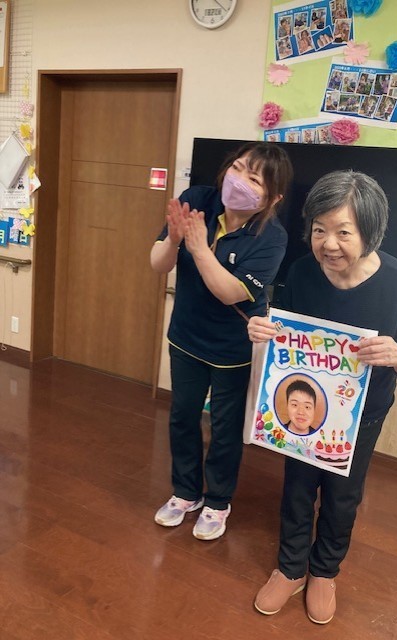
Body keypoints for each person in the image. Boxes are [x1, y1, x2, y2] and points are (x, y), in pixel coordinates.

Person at [248, 171, 397, 623]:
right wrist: (263, 330)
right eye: (319, 230)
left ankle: (324, 571)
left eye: (343, 232)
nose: (328, 244)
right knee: (296, 488)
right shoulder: (301, 272)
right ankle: (290, 568)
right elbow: (286, 333)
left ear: (370, 231)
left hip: (361, 415)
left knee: (342, 496)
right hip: (302, 411)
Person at [151, 142, 293, 541]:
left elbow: (230, 292)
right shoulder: (198, 200)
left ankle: (217, 502)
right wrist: (174, 241)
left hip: (234, 348)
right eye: (238, 167)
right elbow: (157, 264)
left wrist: (198, 248)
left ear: (273, 198)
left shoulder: (272, 237)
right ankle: (185, 493)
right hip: (186, 336)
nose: (239, 180)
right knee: (182, 416)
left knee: (225, 428)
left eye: (254, 178)